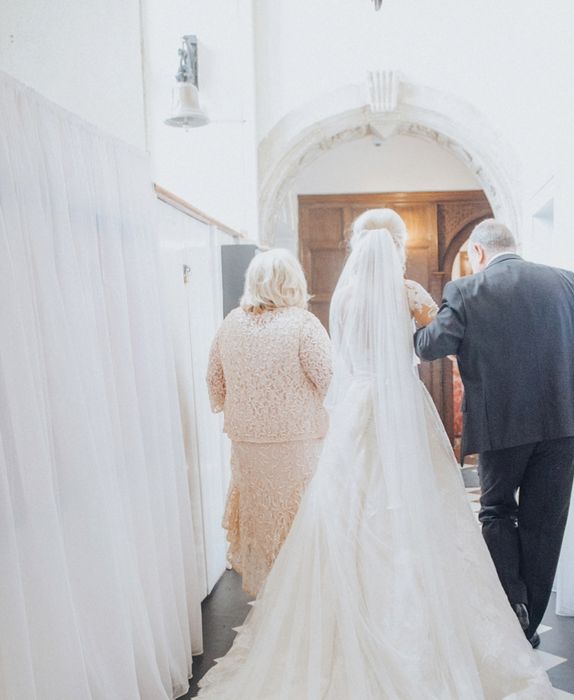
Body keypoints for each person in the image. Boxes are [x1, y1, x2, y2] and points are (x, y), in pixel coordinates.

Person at [195, 209, 553, 699]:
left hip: (356, 402)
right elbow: (444, 340)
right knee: (421, 507)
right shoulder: (406, 292)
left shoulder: (342, 295)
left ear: (358, 245)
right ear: (398, 246)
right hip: (401, 404)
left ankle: (344, 615)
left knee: (349, 507)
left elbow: (338, 359)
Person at [414, 219, 574, 647]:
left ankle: (511, 603)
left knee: (498, 511)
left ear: (477, 253)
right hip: (561, 425)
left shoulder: (465, 290)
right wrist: (562, 392)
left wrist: (409, 322)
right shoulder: (564, 281)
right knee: (545, 522)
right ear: (512, 246)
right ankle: (529, 627)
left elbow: (432, 346)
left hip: (500, 424)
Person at [206, 249, 332, 596]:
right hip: (298, 443)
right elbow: (329, 380)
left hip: (247, 443)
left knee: (261, 523)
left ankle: (270, 598)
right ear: (294, 282)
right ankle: (299, 601)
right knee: (298, 525)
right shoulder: (303, 324)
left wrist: (244, 404)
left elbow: (214, 381)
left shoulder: (231, 323)